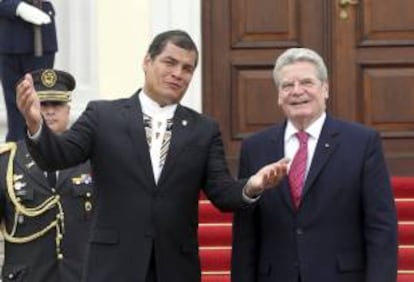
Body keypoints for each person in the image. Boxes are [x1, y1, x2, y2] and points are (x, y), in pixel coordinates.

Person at [15, 30, 289, 282]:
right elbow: (58, 156)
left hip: (175, 266)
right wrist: (35, 124)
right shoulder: (103, 116)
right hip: (113, 265)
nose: (177, 73)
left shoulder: (203, 130)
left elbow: (221, 192)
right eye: (169, 62)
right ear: (147, 61)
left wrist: (253, 185)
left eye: (187, 68)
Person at [231, 47, 399, 282]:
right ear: (279, 95)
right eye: (287, 85)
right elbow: (245, 233)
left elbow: (381, 227)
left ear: (325, 89)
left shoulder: (361, 143)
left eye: (307, 82)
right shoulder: (255, 147)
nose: (297, 91)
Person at [0, 69, 94, 281]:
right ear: (28, 108)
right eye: (43, 104)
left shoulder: (91, 159)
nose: (50, 111)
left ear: (68, 110)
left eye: (57, 105)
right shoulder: (7, 161)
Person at [0, 0, 57, 141]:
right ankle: (16, 154)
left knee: (40, 101)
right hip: (10, 36)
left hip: (40, 31)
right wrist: (17, 7)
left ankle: (40, 151)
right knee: (15, 106)